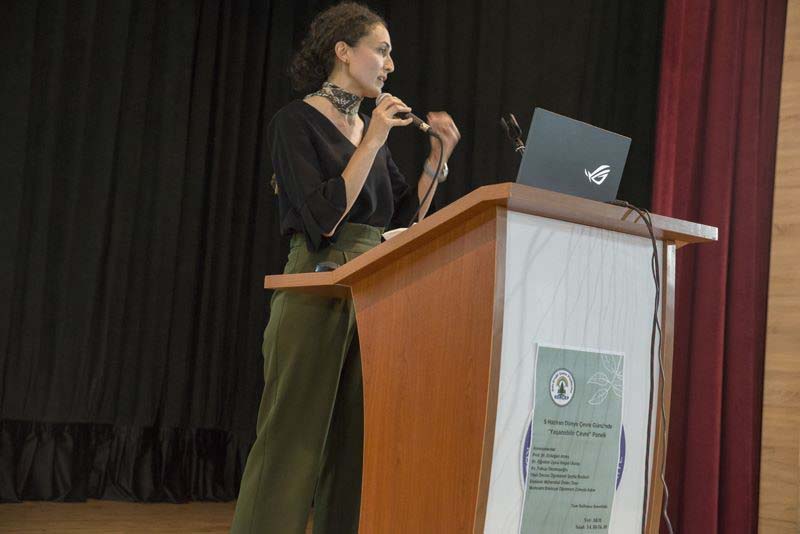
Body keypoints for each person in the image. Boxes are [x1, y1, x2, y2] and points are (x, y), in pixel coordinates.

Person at [230, 3, 461, 533]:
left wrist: (437, 160)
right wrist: (374, 138)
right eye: (381, 50)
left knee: (355, 445)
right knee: (290, 440)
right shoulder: (295, 122)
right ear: (343, 51)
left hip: (375, 285)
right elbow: (322, 218)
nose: (390, 65)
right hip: (317, 283)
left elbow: (404, 219)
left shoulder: (366, 129)